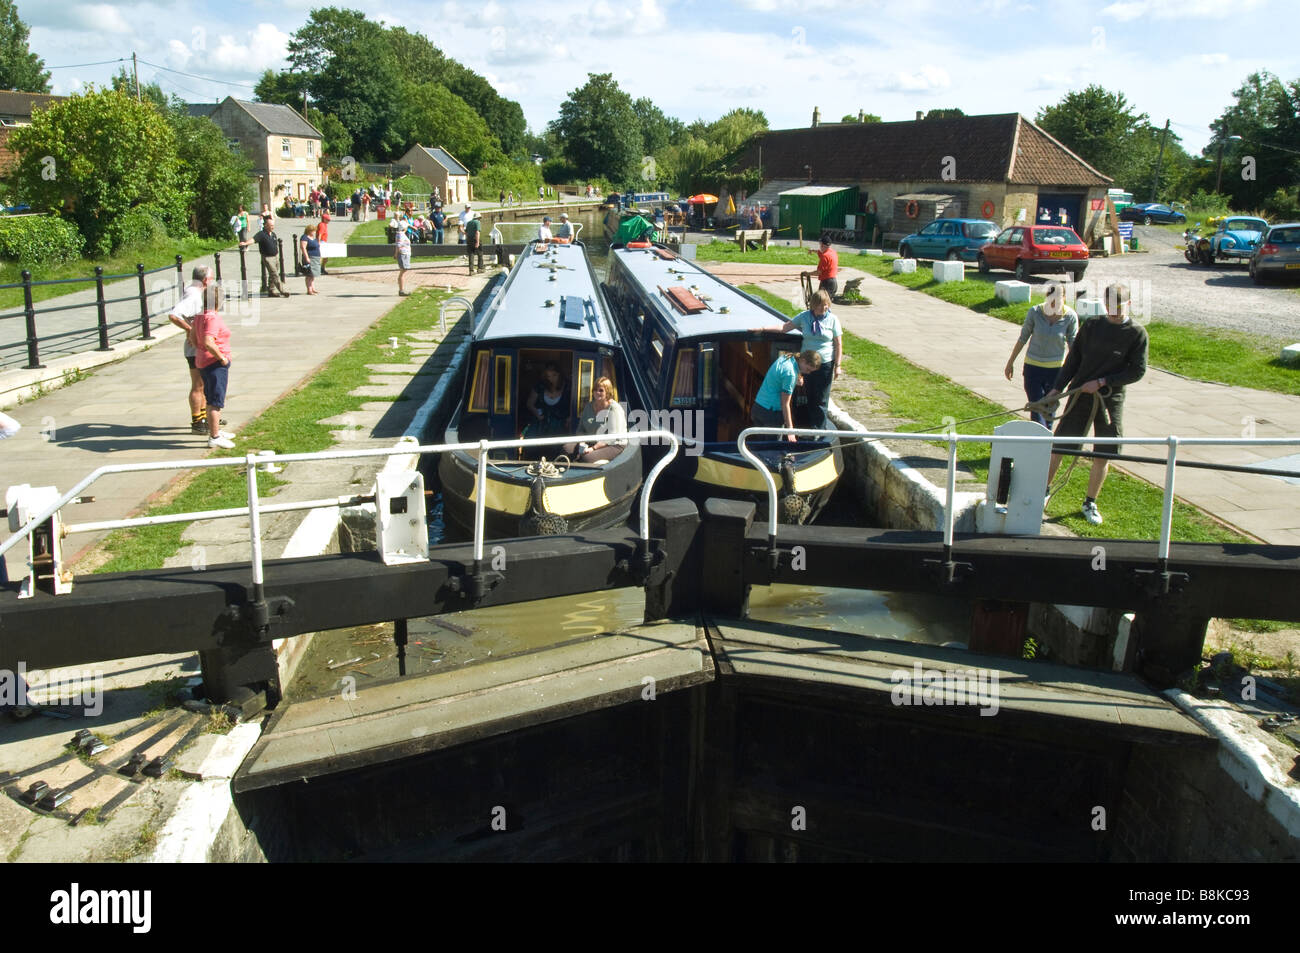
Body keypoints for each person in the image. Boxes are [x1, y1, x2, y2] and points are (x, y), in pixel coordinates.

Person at [1044, 283, 1148, 526]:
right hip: (1080, 393)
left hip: (1110, 399)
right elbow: (1073, 359)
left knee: (1103, 452)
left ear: (1129, 304)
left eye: (1119, 307)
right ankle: (1044, 491)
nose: (1114, 312)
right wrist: (1057, 388)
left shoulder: (1137, 333)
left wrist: (1103, 381)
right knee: (1061, 445)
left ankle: (1089, 502)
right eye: (1110, 306)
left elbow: (1138, 371)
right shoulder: (1092, 325)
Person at [755, 289, 842, 430]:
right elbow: (785, 327)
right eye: (820, 305)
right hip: (806, 363)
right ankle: (805, 424)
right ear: (813, 305)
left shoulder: (833, 320)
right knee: (808, 395)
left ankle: (818, 430)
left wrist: (838, 365)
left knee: (821, 398)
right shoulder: (804, 317)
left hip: (824, 364)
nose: (824, 308)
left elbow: (838, 343)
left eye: (826, 305)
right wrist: (763, 328)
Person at [1003, 283, 1078, 427]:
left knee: (1049, 410)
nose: (1054, 304)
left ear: (1064, 298)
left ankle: (1045, 443)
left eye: (1058, 300)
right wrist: (1010, 362)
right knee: (1037, 407)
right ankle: (1040, 441)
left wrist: (1075, 371)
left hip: (1056, 371)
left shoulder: (1070, 317)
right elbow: (1022, 338)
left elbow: (1073, 346)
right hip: (1033, 368)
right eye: (1051, 301)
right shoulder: (1035, 312)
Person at [168, 264, 217, 433]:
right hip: (194, 348)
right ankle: (197, 421)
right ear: (205, 280)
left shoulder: (196, 292)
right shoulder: (194, 296)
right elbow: (174, 315)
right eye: (211, 279)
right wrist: (190, 330)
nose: (212, 282)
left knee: (204, 383)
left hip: (199, 345)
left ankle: (205, 417)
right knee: (198, 384)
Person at [190, 283, 236, 450]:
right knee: (215, 400)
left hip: (202, 361)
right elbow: (209, 342)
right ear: (219, 301)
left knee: (210, 397)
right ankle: (214, 436)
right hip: (214, 363)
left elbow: (193, 338)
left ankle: (216, 430)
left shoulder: (199, 316)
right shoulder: (212, 317)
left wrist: (200, 349)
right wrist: (222, 358)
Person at [752, 350, 822, 441]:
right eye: (808, 369)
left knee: (760, 446)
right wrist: (790, 431)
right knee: (773, 450)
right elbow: (785, 404)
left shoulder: (786, 357)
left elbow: (780, 377)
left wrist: (797, 378)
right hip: (771, 415)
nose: (808, 373)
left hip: (758, 408)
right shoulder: (790, 375)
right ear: (803, 361)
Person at [565, 377, 626, 463]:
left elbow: (611, 438)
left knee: (587, 458)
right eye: (595, 390)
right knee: (566, 449)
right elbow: (580, 429)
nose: (597, 393)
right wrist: (582, 443)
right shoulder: (588, 406)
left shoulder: (615, 409)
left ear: (608, 392)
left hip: (613, 444)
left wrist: (593, 448)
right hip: (591, 442)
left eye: (601, 390)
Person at [242, 216, 290, 298]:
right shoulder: (261, 234)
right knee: (274, 274)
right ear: (265, 225)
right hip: (267, 257)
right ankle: (283, 291)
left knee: (273, 275)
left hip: (275, 256)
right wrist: (245, 243)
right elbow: (253, 240)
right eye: (271, 225)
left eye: (273, 225)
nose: (272, 227)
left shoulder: (273, 234)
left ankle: (271, 291)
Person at [525, 363, 571, 437]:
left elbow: (576, 405)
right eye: (548, 376)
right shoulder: (540, 386)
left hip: (560, 427)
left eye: (554, 375)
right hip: (540, 426)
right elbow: (530, 403)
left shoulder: (569, 387)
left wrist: (570, 418)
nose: (551, 378)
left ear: (560, 375)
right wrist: (537, 414)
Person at [300, 223, 321, 295]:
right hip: (310, 257)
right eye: (313, 231)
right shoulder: (304, 237)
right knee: (309, 275)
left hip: (316, 258)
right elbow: (303, 248)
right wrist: (307, 257)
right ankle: (309, 290)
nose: (314, 232)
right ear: (309, 230)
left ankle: (312, 288)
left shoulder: (313, 238)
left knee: (313, 275)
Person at [394, 216, 412, 296]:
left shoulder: (401, 234)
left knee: (404, 270)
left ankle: (401, 289)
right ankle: (401, 290)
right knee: (403, 271)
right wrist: (396, 254)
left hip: (405, 254)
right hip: (403, 254)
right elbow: (398, 245)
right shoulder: (400, 234)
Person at [463, 210, 481, 274]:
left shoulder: (469, 223)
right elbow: (477, 232)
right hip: (475, 239)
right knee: (480, 254)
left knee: (471, 255)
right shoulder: (477, 222)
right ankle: (480, 268)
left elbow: (466, 232)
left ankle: (471, 270)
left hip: (469, 240)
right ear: (478, 218)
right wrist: (477, 242)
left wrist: (467, 240)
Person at [318, 207, 331, 273]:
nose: (329, 221)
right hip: (322, 242)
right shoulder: (322, 225)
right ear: (324, 219)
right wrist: (318, 242)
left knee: (326, 257)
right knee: (322, 256)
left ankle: (322, 268)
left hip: (324, 241)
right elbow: (320, 234)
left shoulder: (324, 225)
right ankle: (319, 268)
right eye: (328, 220)